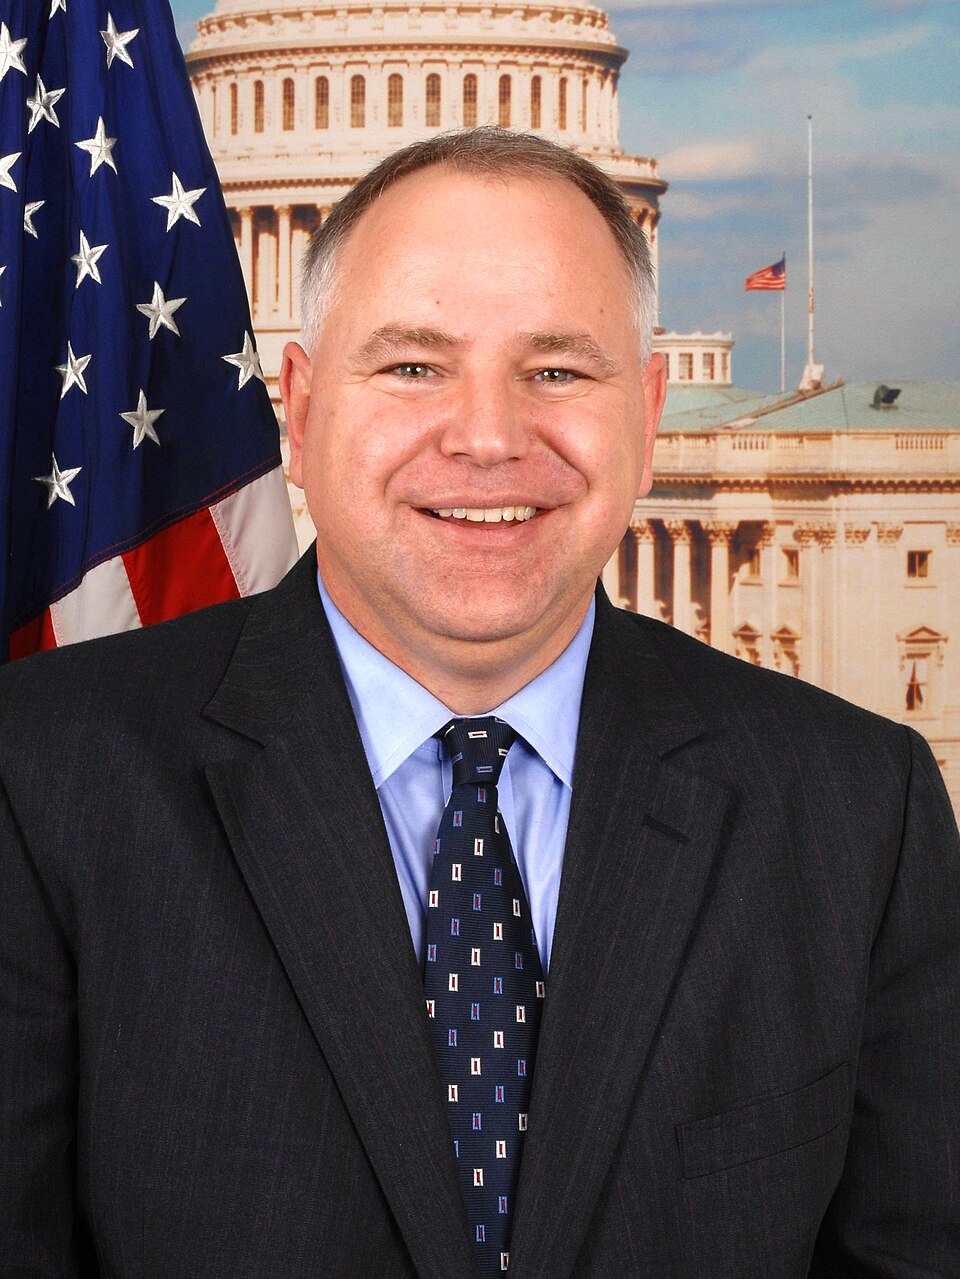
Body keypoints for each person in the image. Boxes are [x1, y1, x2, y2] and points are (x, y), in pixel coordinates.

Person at [1, 128, 958, 1278]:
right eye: (414, 366)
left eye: (557, 370)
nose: (489, 438)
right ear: (298, 409)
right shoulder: (46, 778)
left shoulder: (858, 811)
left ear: (650, 416)